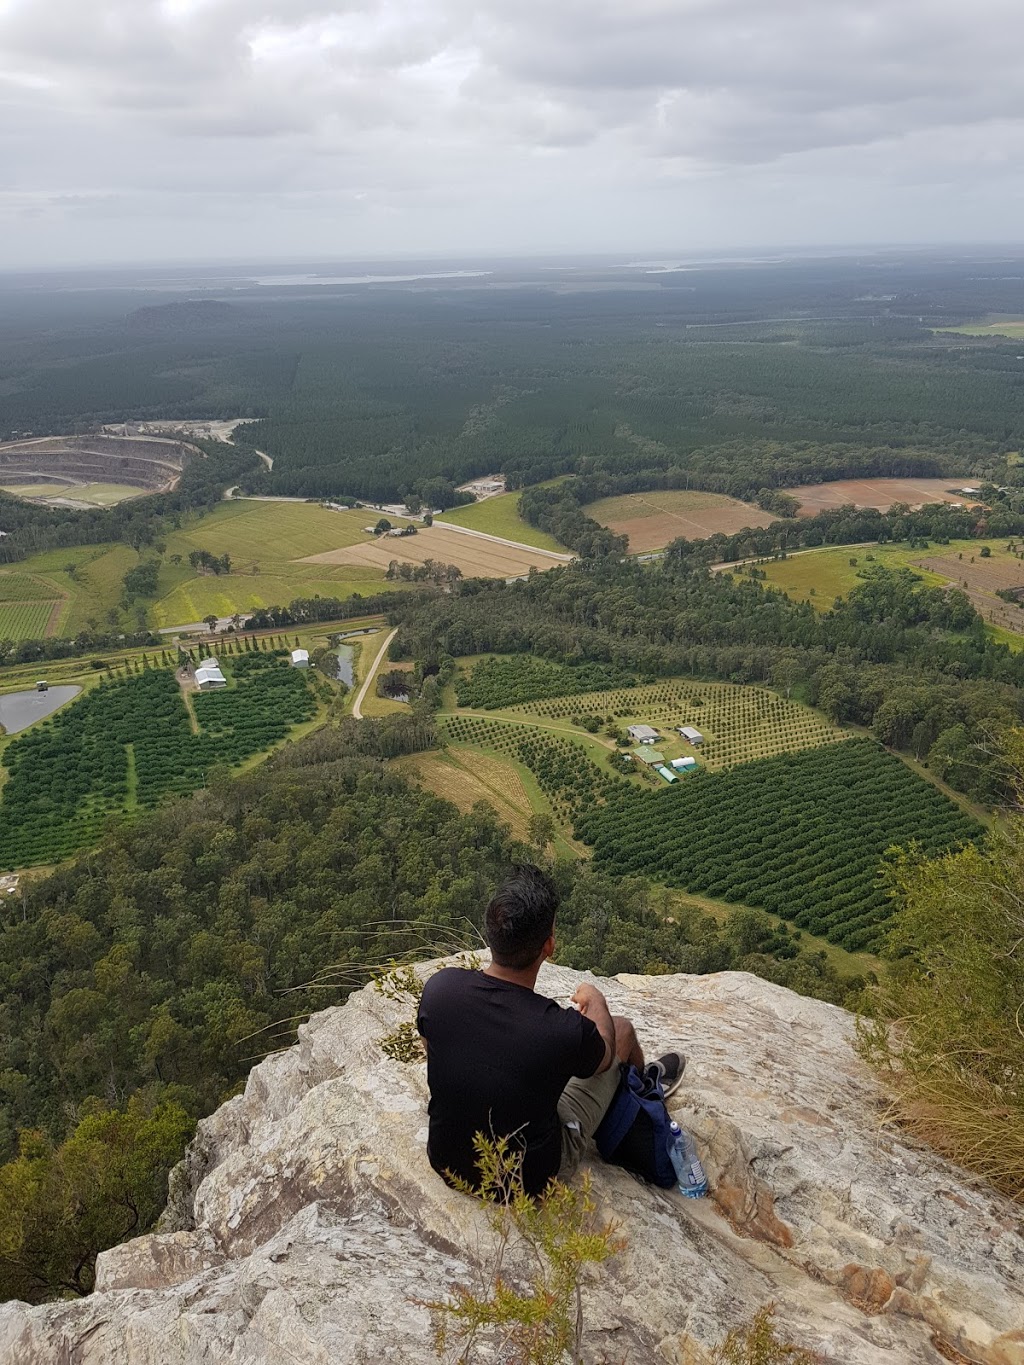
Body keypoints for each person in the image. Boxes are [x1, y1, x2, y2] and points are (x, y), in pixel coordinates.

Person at [416, 863, 684, 1198]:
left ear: (491, 935)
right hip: (527, 1182)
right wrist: (597, 1001)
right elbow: (603, 1054)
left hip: (448, 1164)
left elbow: (432, 1046)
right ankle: (641, 1096)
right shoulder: (560, 1030)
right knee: (623, 1031)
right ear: (549, 946)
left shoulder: (441, 989)